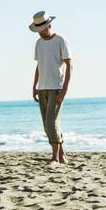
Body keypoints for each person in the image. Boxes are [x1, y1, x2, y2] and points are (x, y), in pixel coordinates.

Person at [29, 10, 71, 165]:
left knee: (51, 123)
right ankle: (62, 156)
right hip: (42, 88)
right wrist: (34, 86)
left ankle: (55, 158)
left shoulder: (61, 41)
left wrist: (64, 90)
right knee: (47, 125)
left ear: (50, 25)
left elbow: (69, 65)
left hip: (56, 88)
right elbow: (39, 66)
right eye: (38, 30)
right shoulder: (38, 43)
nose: (40, 33)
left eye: (43, 29)